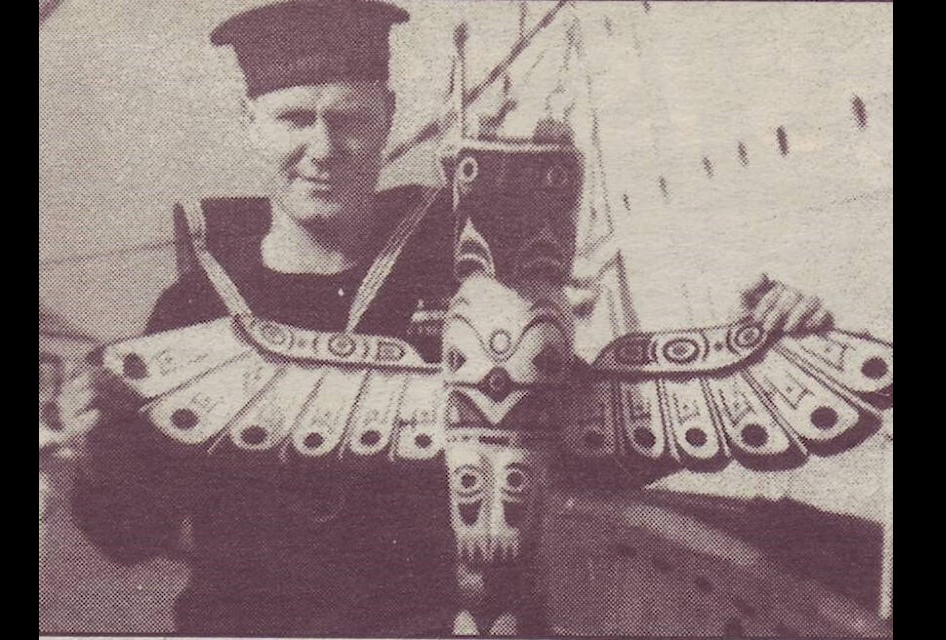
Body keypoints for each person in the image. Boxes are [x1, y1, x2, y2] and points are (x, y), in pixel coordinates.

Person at [44, 0, 832, 636]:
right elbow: (130, 535)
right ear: (250, 122)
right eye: (294, 118)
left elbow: (583, 440)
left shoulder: (467, 274)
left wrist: (759, 343)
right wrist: (97, 450)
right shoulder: (195, 305)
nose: (324, 146)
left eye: (348, 117)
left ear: (387, 116)